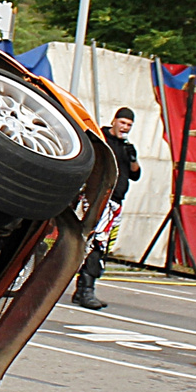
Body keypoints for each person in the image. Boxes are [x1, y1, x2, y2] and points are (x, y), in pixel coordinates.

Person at [73, 107, 142, 309]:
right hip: (97, 197)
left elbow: (136, 175)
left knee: (103, 246)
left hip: (115, 202)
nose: (125, 128)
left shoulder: (127, 147)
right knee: (95, 242)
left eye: (129, 125)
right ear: (114, 121)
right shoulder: (100, 139)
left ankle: (84, 288)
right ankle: (85, 290)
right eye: (123, 123)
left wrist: (133, 159)